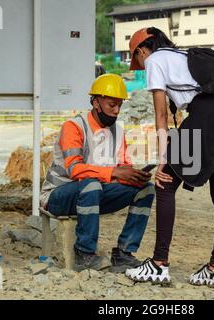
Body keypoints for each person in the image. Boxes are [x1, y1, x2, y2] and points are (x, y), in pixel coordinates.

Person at [124, 27, 214, 289]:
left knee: (165, 183)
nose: (143, 67)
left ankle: (159, 264)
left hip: (204, 116)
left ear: (142, 50)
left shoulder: (156, 60)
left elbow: (160, 116)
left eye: (139, 60)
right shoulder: (181, 56)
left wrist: (162, 161)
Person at [40, 74, 155, 273]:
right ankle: (84, 253)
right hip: (57, 196)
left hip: (94, 194)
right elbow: (75, 169)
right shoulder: (74, 127)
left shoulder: (118, 132)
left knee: (145, 190)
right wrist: (114, 172)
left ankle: (124, 253)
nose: (116, 110)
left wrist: (134, 176)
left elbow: (122, 168)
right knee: (90, 183)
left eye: (120, 105)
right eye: (112, 104)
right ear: (95, 102)